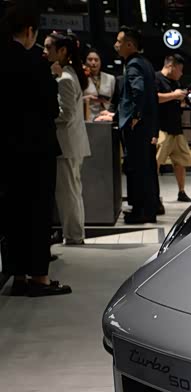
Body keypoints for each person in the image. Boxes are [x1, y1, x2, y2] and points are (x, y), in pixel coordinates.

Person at [0, 2, 71, 296]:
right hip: (37, 149)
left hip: (7, 150)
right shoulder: (37, 64)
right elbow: (51, 108)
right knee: (38, 212)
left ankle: (17, 276)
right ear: (30, 31)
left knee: (13, 213)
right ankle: (39, 278)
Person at [45, 31, 91, 246]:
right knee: (72, 191)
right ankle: (74, 234)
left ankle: (73, 235)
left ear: (62, 51)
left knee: (68, 193)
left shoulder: (65, 78)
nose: (45, 51)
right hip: (72, 143)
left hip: (66, 144)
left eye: (49, 47)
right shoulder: (69, 74)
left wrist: (46, 115)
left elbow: (66, 114)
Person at [115, 26, 159, 224]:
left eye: (119, 41)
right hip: (147, 126)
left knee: (137, 169)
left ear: (129, 44)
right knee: (147, 168)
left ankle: (140, 211)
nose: (116, 45)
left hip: (137, 127)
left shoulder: (133, 65)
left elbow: (138, 91)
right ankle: (150, 208)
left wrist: (135, 115)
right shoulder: (145, 63)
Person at [156, 54, 191, 203]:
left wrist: (181, 99)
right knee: (155, 162)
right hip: (161, 128)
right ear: (171, 66)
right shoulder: (156, 78)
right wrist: (174, 95)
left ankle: (181, 191)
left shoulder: (176, 82)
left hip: (176, 128)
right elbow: (154, 98)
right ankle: (153, 194)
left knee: (181, 162)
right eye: (180, 69)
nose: (181, 73)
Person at [84, 49, 115, 121]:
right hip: (87, 117)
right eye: (90, 59)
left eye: (96, 60)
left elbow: (113, 100)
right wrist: (87, 98)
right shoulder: (82, 79)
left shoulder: (110, 78)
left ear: (100, 61)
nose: (93, 62)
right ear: (86, 61)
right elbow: (76, 99)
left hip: (106, 116)